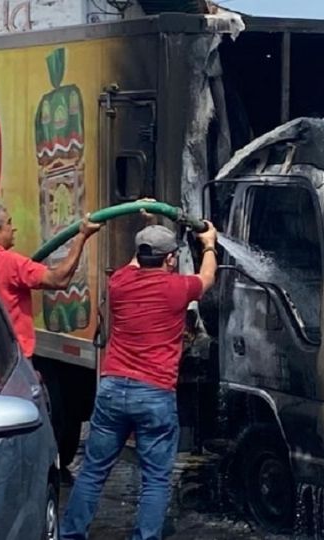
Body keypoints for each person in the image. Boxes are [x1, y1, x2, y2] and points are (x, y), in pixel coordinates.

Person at [60, 215, 218, 540]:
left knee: (92, 472)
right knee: (156, 480)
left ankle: (70, 535)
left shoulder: (119, 281)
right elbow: (208, 277)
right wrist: (210, 244)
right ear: (171, 259)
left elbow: (138, 259)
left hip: (113, 389)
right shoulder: (178, 288)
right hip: (154, 394)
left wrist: (148, 226)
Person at [0, 201, 102, 362]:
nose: (13, 228)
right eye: (8, 223)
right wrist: (82, 237)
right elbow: (59, 280)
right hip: (11, 358)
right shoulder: (10, 262)